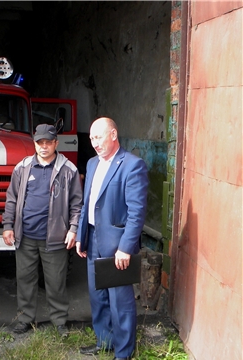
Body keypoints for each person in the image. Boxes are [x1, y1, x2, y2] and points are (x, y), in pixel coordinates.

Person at [76, 117, 149, 360]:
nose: (94, 143)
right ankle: (104, 342)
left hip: (117, 244)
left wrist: (126, 247)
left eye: (98, 137)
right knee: (98, 296)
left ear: (114, 134)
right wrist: (81, 235)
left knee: (120, 300)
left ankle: (124, 352)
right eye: (91, 139)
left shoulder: (132, 165)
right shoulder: (92, 164)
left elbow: (137, 212)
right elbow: (87, 204)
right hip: (93, 238)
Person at [2, 123, 83, 336]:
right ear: (35, 143)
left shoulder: (68, 170)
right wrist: (8, 226)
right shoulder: (22, 167)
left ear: (56, 143)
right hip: (25, 235)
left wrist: (73, 229)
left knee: (56, 282)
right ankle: (25, 319)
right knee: (25, 280)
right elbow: (12, 199)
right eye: (40, 142)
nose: (44, 146)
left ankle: (59, 321)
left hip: (55, 237)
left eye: (49, 142)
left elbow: (77, 204)